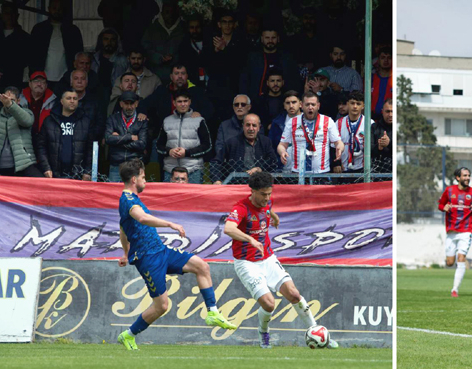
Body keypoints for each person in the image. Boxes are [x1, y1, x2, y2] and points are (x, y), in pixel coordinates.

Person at [116, 158, 236, 351]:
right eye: (143, 177)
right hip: (148, 258)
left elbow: (123, 229)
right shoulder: (128, 199)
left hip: (161, 250)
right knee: (162, 306)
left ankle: (212, 312)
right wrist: (170, 224)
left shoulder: (131, 200)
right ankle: (128, 335)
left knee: (201, 266)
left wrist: (124, 253)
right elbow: (143, 218)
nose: (145, 181)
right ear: (133, 179)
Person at [222, 171, 338, 348]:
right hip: (247, 263)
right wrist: (250, 239)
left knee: (294, 294)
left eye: (269, 194)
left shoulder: (267, 202)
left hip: (267, 258)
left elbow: (268, 209)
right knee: (269, 304)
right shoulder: (241, 208)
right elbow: (228, 228)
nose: (267, 198)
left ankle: (317, 332)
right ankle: (263, 332)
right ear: (252, 191)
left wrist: (274, 216)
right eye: (263, 194)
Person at [438, 167, 472, 298]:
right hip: (451, 231)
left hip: (466, 230)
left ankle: (455, 290)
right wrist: (443, 207)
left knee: (461, 258)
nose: (467, 178)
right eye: (465, 176)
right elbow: (440, 204)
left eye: (469, 175)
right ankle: (452, 263)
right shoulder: (449, 190)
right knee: (450, 262)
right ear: (458, 178)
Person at [276, 92, 343, 175]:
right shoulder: (292, 122)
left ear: (318, 106)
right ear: (301, 105)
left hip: (321, 172)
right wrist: (282, 152)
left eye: (313, 104)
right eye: (307, 104)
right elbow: (282, 145)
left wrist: (339, 149)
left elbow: (338, 142)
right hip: (298, 172)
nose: (310, 107)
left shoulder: (328, 121)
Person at [37, 88, 94, 180]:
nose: (72, 101)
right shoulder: (49, 121)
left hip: (78, 175)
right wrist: (46, 167)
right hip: (53, 173)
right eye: (68, 98)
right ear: (61, 101)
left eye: (75, 99)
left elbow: (91, 149)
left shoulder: (86, 122)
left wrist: (87, 171)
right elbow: (41, 146)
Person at [155, 90, 211, 183]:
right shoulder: (167, 121)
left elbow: (207, 146)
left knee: (193, 197)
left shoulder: (199, 120)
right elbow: (158, 145)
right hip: (170, 170)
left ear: (190, 102)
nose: (183, 104)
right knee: (169, 197)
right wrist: (169, 151)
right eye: (179, 101)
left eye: (185, 101)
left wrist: (187, 152)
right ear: (174, 103)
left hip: (193, 170)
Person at [30, 0, 84, 90]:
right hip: (42, 79)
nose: (57, 11)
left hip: (66, 79)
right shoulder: (39, 30)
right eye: (54, 8)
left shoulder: (73, 31)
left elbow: (79, 55)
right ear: (49, 9)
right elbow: (31, 54)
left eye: (60, 9)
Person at [203, 9, 246, 120]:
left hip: (233, 87)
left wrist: (224, 50)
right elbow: (206, 64)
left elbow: (239, 64)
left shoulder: (240, 41)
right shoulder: (211, 41)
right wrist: (216, 52)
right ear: (219, 24)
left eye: (230, 22)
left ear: (234, 24)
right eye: (224, 22)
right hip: (215, 89)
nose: (227, 25)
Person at [240, 27, 302, 100]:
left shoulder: (287, 58)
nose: (270, 40)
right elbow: (245, 81)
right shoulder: (253, 58)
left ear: (278, 39)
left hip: (284, 101)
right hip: (257, 101)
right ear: (262, 39)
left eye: (273, 38)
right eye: (267, 38)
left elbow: (294, 81)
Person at [213, 114, 276, 184]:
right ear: (243, 126)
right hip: (236, 184)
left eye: (254, 125)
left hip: (259, 184)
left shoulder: (265, 142)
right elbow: (216, 162)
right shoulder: (232, 142)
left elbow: (273, 161)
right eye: (248, 125)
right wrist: (217, 180)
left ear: (259, 127)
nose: (251, 128)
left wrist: (260, 169)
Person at [105, 91, 148, 182]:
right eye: (126, 103)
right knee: (114, 194)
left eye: (131, 103)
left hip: (135, 166)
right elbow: (108, 139)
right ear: (121, 104)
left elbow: (142, 144)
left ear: (136, 104)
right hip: (116, 165)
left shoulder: (142, 121)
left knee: (134, 194)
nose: (129, 107)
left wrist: (118, 140)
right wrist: (130, 137)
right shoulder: (112, 119)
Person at [0, 87, 42, 177]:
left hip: (24, 163)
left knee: (43, 187)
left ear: (18, 100)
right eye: (6, 100)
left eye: (12, 100)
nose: (8, 102)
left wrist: (10, 105)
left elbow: (26, 121)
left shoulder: (27, 112)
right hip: (2, 166)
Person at [141, 0, 184, 84]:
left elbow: (187, 51)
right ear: (162, 12)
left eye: (173, 12)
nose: (170, 15)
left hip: (179, 76)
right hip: (155, 74)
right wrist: (159, 57)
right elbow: (145, 48)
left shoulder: (183, 28)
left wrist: (174, 58)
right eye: (167, 12)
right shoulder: (152, 29)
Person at [337, 91, 372, 175]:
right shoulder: (338, 123)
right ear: (348, 104)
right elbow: (332, 146)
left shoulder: (370, 123)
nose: (355, 106)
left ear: (363, 106)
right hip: (343, 168)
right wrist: (336, 163)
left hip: (363, 169)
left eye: (358, 104)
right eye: (352, 103)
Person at [0, 3, 32, 91]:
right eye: (6, 13)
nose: (9, 16)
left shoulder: (25, 38)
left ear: (17, 15)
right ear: (1, 15)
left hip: (14, 81)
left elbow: (27, 61)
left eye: (12, 13)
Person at [214, 94, 251, 167]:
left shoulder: (255, 125)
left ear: (249, 107)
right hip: (228, 166)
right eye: (236, 105)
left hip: (250, 166)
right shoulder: (224, 125)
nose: (239, 107)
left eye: (243, 104)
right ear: (233, 107)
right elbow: (219, 146)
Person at [176, 16, 205, 86]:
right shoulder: (184, 46)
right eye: (192, 27)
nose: (195, 30)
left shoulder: (210, 44)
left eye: (197, 27)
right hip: (192, 84)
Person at [370, 46, 392, 120]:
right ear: (378, 60)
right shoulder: (370, 79)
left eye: (389, 58)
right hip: (372, 120)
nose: (386, 60)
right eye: (383, 57)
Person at [370, 98, 392, 171]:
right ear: (382, 112)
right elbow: (367, 151)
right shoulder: (374, 127)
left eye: (393, 111)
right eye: (388, 111)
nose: (390, 115)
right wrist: (379, 147)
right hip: (378, 172)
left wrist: (389, 143)